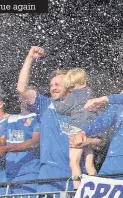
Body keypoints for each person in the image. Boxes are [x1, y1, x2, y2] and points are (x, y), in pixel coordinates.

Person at [17, 46, 73, 192]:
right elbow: (22, 89)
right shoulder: (46, 105)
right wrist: (29, 58)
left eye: (57, 85)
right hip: (49, 173)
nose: (52, 88)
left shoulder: (82, 108)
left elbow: (99, 140)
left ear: (69, 87)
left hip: (76, 173)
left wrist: (88, 141)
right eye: (51, 85)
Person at [53, 68, 98, 188]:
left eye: (71, 86)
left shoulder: (75, 95)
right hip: (91, 129)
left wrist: (55, 101)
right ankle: (96, 186)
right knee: (89, 163)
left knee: (74, 162)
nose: (70, 89)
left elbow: (62, 109)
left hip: (77, 129)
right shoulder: (90, 92)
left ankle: (77, 189)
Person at [2, 102, 40, 195]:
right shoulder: (9, 119)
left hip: (29, 174)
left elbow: (35, 141)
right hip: (9, 176)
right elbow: (1, 140)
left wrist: (8, 148)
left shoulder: (38, 117)